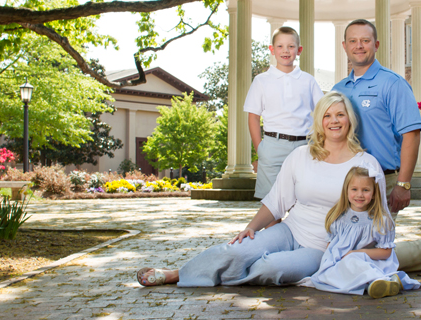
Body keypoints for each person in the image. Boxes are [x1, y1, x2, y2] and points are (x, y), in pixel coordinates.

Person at [136, 91, 382, 287]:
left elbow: (377, 216)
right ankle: (179, 273)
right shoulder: (301, 156)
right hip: (289, 231)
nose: (334, 121)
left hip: (322, 247)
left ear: (350, 119)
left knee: (270, 268)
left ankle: (220, 275)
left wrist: (358, 254)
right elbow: (277, 201)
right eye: (327, 116)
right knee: (237, 250)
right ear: (319, 121)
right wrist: (250, 228)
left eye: (340, 114)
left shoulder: (366, 164)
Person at [332, 19, 421, 271]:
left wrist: (403, 184)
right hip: (347, 184)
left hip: (383, 181)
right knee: (351, 250)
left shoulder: (392, 83)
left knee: (367, 254)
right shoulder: (339, 90)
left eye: (365, 40)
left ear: (376, 44)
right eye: (353, 41)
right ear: (344, 46)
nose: (359, 46)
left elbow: (412, 134)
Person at [301, 165, 421, 298]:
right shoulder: (339, 217)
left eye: (365, 190)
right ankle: (382, 283)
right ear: (346, 191)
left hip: (370, 261)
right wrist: (329, 263)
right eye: (354, 189)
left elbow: (386, 252)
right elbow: (331, 245)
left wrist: (357, 254)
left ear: (374, 193)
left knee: (354, 262)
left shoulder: (380, 220)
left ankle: (379, 282)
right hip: (343, 262)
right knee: (336, 272)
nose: (359, 194)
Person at [244, 26, 323, 199]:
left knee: (302, 200)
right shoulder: (261, 81)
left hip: (304, 145)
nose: (285, 51)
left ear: (299, 50)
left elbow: (322, 113)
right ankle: (274, 227)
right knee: (272, 201)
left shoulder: (308, 80)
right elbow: (253, 117)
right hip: (273, 145)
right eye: (280, 46)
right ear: (272, 50)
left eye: (291, 46)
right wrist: (261, 150)